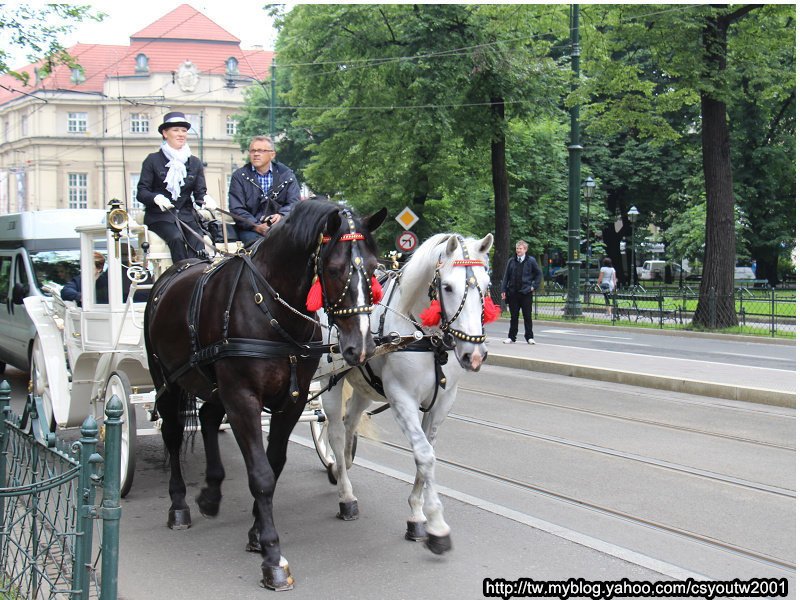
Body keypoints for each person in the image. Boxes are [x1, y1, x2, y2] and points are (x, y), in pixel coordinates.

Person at [136, 111, 217, 262]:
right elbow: (142, 192)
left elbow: (199, 193)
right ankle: (180, 275)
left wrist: (206, 199)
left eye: (184, 131)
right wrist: (156, 198)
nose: (181, 134)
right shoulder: (152, 160)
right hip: (160, 217)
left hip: (186, 215)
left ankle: (197, 275)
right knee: (176, 238)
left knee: (198, 239)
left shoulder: (194, 162)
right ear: (165, 133)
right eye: (176, 130)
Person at [228, 135, 301, 246]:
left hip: (282, 228)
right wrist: (256, 226)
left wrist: (281, 216)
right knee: (256, 252)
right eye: (253, 151)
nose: (256, 154)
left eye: (261, 151)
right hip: (250, 230)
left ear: (272, 154)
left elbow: (294, 203)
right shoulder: (239, 176)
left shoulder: (286, 175)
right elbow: (236, 208)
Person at [501, 240, 542, 345]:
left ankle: (529, 337)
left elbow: (538, 274)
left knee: (527, 316)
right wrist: (503, 290)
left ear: (525, 250)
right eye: (517, 248)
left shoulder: (531, 261)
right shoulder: (511, 261)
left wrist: (533, 286)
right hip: (513, 293)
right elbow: (506, 277)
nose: (518, 250)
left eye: (520, 248)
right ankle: (511, 337)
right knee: (514, 316)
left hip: (526, 293)